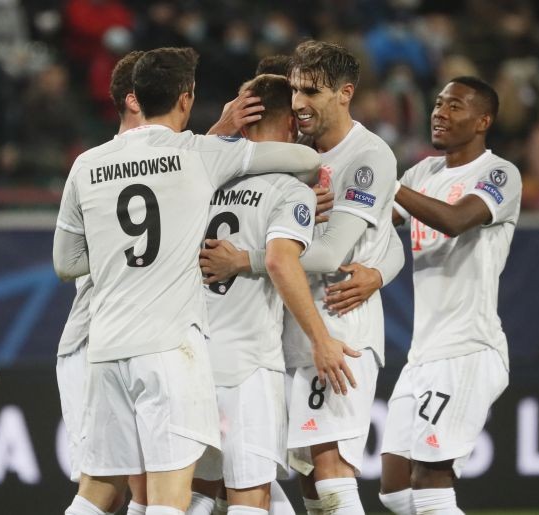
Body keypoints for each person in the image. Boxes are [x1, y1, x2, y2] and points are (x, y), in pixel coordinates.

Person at [53, 47, 335, 515]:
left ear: (134, 98)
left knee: (99, 491)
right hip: (168, 349)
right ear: (186, 100)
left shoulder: (87, 163)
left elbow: (66, 263)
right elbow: (300, 157)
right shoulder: (198, 155)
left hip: (104, 348)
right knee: (169, 497)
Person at [379, 77, 522, 515]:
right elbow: (380, 219)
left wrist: (387, 182)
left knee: (430, 484)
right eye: (438, 103)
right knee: (394, 490)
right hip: (424, 353)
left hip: (468, 349)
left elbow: (457, 219)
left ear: (483, 120)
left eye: (454, 106)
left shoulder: (500, 173)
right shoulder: (423, 173)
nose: (439, 112)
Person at [191, 73, 331, 515]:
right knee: (249, 497)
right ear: (291, 122)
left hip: (192, 360)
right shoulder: (291, 190)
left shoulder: (198, 182)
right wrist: (321, 339)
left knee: (195, 490)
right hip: (249, 363)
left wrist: (217, 131)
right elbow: (280, 262)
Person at [55, 49, 149, 515]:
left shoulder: (91, 164)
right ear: (135, 101)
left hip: (119, 340)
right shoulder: (114, 164)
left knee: (140, 482)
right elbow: (66, 263)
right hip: (101, 339)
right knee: (108, 487)